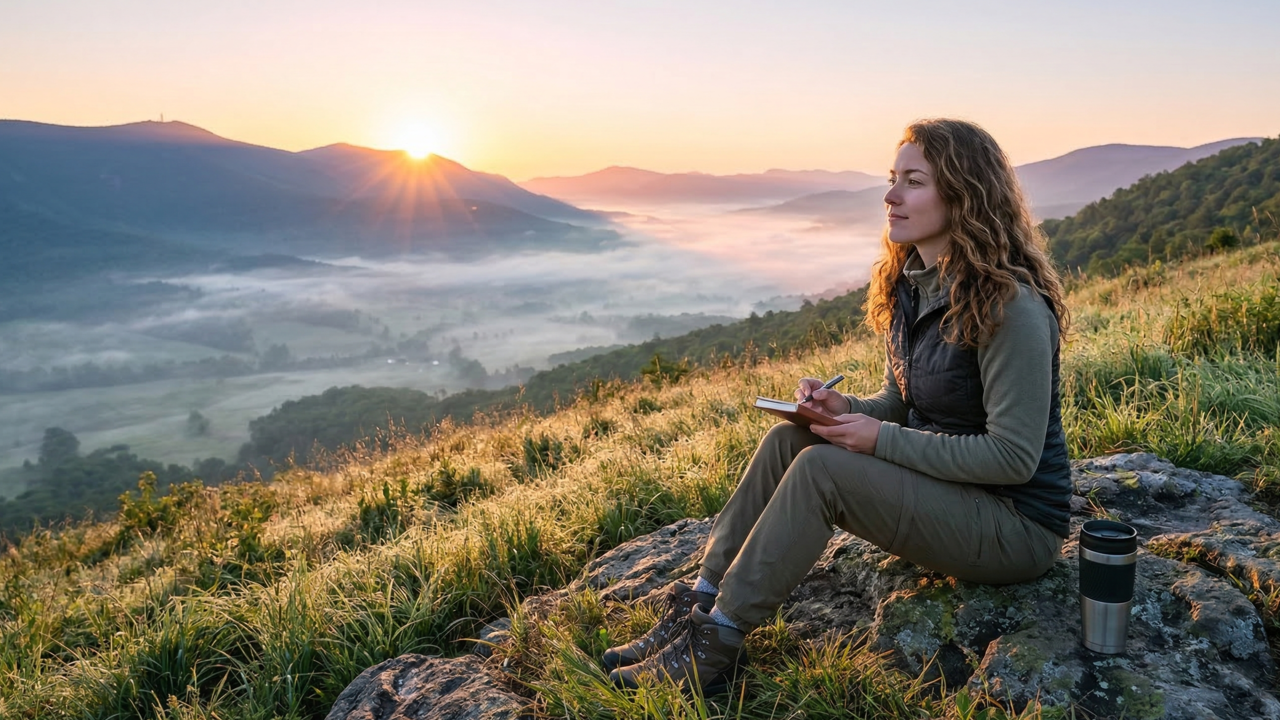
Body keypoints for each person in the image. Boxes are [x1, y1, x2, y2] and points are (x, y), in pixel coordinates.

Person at [603, 118, 1073, 695]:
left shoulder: (1012, 309)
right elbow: (901, 403)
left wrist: (876, 440)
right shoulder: (914, 284)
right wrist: (839, 407)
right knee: (791, 442)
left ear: (965, 195)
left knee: (824, 469)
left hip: (1014, 526)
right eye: (892, 178)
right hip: (951, 495)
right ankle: (699, 603)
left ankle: (716, 644)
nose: (891, 195)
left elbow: (1012, 458)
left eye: (914, 181)